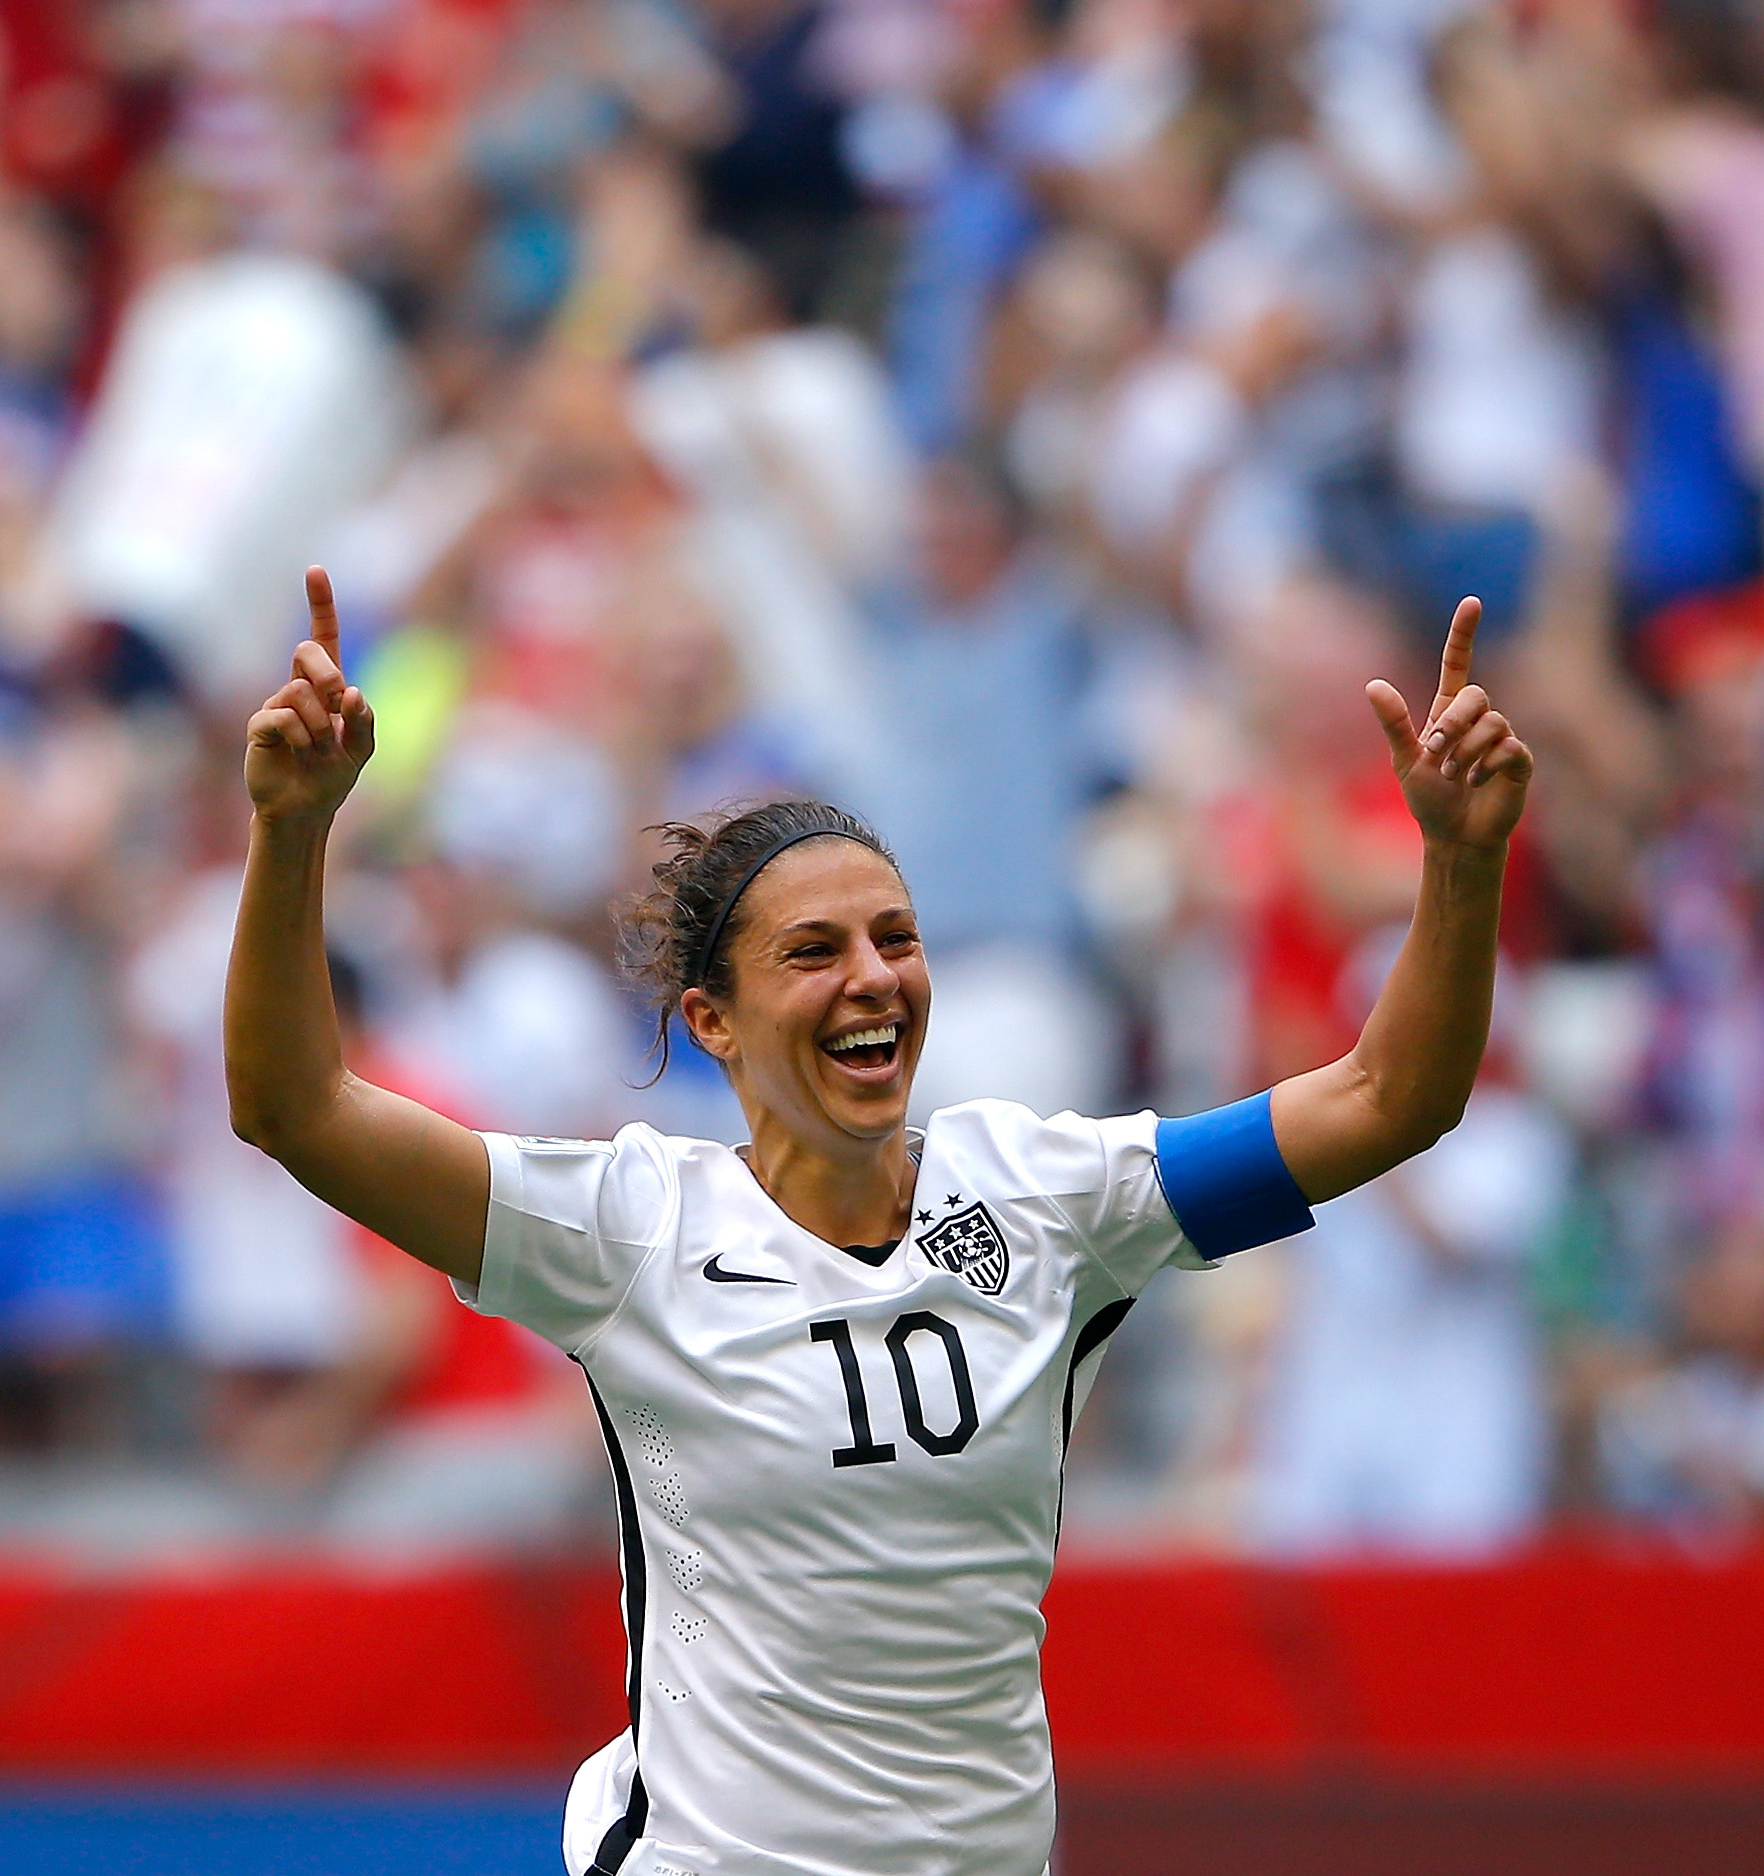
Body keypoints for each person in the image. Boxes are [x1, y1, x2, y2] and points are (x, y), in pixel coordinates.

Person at [225, 566, 1532, 1876]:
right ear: (712, 1026)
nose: (871, 977)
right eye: (811, 951)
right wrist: (291, 832)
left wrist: (1461, 869)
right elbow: (296, 1110)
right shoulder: (628, 1230)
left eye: (894, 938)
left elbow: (1385, 1099)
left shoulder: (1052, 1197)